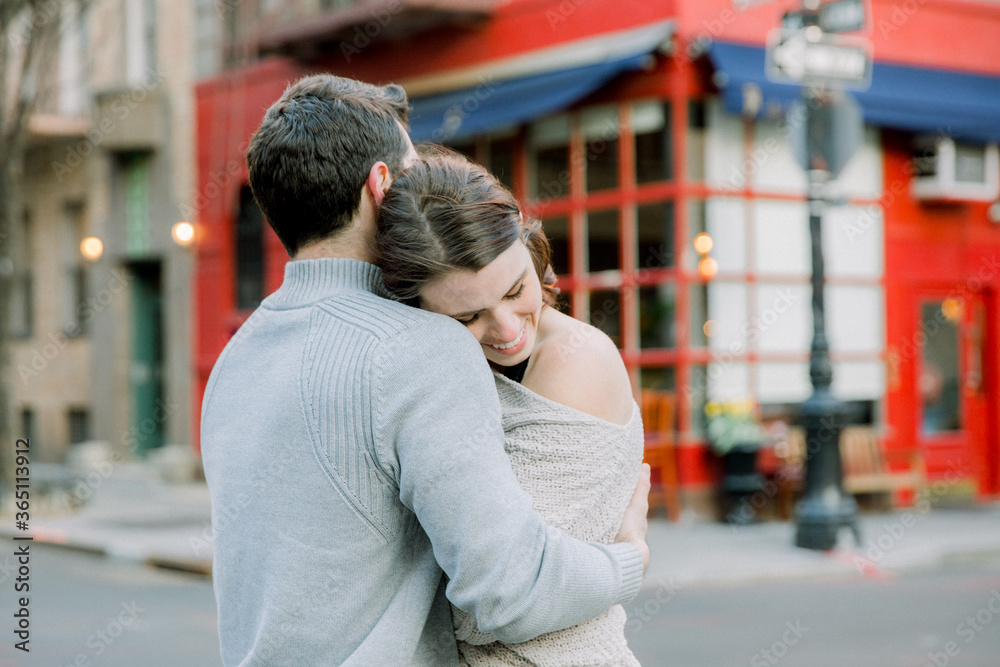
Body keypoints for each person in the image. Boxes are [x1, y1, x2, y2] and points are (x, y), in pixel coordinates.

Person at [200, 73, 651, 667]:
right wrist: (630, 558)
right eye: (411, 167)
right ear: (382, 185)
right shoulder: (421, 350)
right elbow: (505, 591)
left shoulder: (235, 362)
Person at [376, 150, 644, 666]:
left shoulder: (575, 362)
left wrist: (631, 558)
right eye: (469, 316)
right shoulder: (440, 370)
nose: (506, 330)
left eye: (516, 289)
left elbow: (500, 601)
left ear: (526, 238)